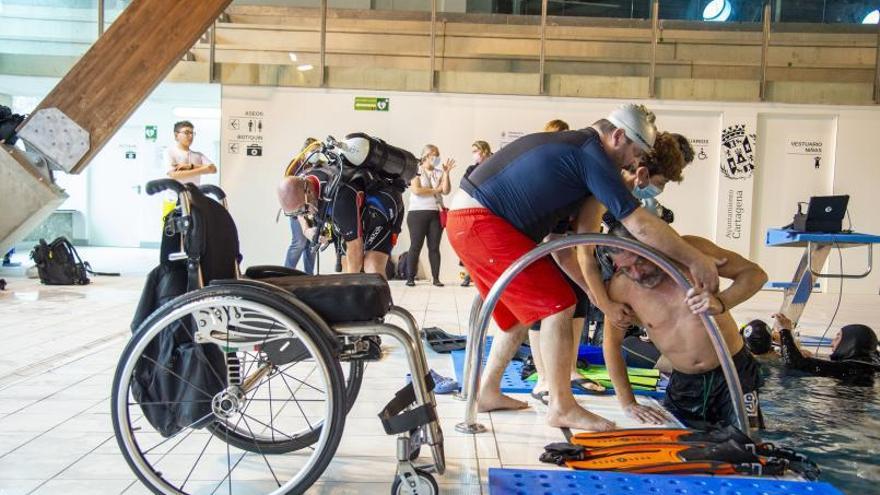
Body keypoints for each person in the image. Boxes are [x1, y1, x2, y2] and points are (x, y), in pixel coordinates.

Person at [448, 103, 723, 431]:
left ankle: (488, 392)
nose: (636, 161)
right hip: (482, 222)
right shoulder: (590, 153)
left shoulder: (574, 154)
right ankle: (561, 405)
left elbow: (565, 249)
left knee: (524, 315)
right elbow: (639, 225)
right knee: (559, 306)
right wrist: (696, 259)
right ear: (618, 136)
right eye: (636, 152)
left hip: (472, 220)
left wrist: (601, 300)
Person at [529, 131, 692, 402]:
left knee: (578, 302)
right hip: (547, 239)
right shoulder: (607, 186)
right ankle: (545, 379)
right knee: (554, 306)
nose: (660, 190)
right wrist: (604, 303)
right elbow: (585, 252)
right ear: (642, 172)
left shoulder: (625, 189)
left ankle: (568, 372)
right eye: (661, 182)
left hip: (563, 240)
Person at [600, 218, 768, 429]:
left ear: (652, 244)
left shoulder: (692, 253)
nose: (637, 273)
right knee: (682, 449)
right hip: (684, 383)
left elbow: (756, 274)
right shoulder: (620, 288)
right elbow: (611, 344)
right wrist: (628, 402)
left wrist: (722, 302)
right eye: (627, 268)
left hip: (733, 372)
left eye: (640, 261)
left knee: (747, 445)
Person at [277, 163, 404, 278]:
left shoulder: (340, 199)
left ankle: (382, 303)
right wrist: (306, 230)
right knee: (346, 266)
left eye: (304, 209)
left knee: (372, 268)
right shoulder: (302, 180)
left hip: (382, 214)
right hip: (353, 215)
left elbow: (355, 247)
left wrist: (348, 292)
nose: (305, 214)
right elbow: (299, 212)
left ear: (309, 191)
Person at [773, 313, 880, 378]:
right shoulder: (872, 362)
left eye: (838, 338)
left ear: (850, 343)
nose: (831, 343)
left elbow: (795, 364)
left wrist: (784, 331)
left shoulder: (849, 368)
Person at [405, 145, 454, 287]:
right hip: (417, 213)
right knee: (416, 246)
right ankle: (410, 278)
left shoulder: (439, 172)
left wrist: (446, 174)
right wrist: (435, 189)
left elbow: (445, 191)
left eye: (438, 154)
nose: (437, 157)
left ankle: (436, 278)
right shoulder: (416, 171)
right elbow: (417, 190)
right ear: (426, 156)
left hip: (435, 213)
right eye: (434, 154)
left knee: (434, 247)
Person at [283, 138, 320, 274]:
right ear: (305, 152)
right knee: (299, 242)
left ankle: (309, 276)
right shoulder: (295, 165)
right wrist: (304, 224)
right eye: (312, 151)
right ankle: (285, 274)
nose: (315, 154)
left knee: (312, 244)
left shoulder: (319, 165)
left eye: (317, 151)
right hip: (296, 209)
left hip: (313, 209)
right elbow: (288, 189)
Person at [461, 141, 493, 287]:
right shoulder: (471, 169)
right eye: (472, 151)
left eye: (476, 150)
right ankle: (469, 275)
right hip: (475, 208)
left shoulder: (495, 163)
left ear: (484, 151)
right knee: (471, 243)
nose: (474, 154)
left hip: (492, 210)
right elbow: (464, 186)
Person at [165, 121, 216, 185]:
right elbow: (174, 175)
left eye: (192, 133)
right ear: (176, 135)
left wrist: (191, 166)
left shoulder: (198, 155)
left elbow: (213, 169)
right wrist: (204, 169)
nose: (191, 136)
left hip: (195, 194)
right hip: (175, 194)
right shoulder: (170, 152)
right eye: (186, 133)